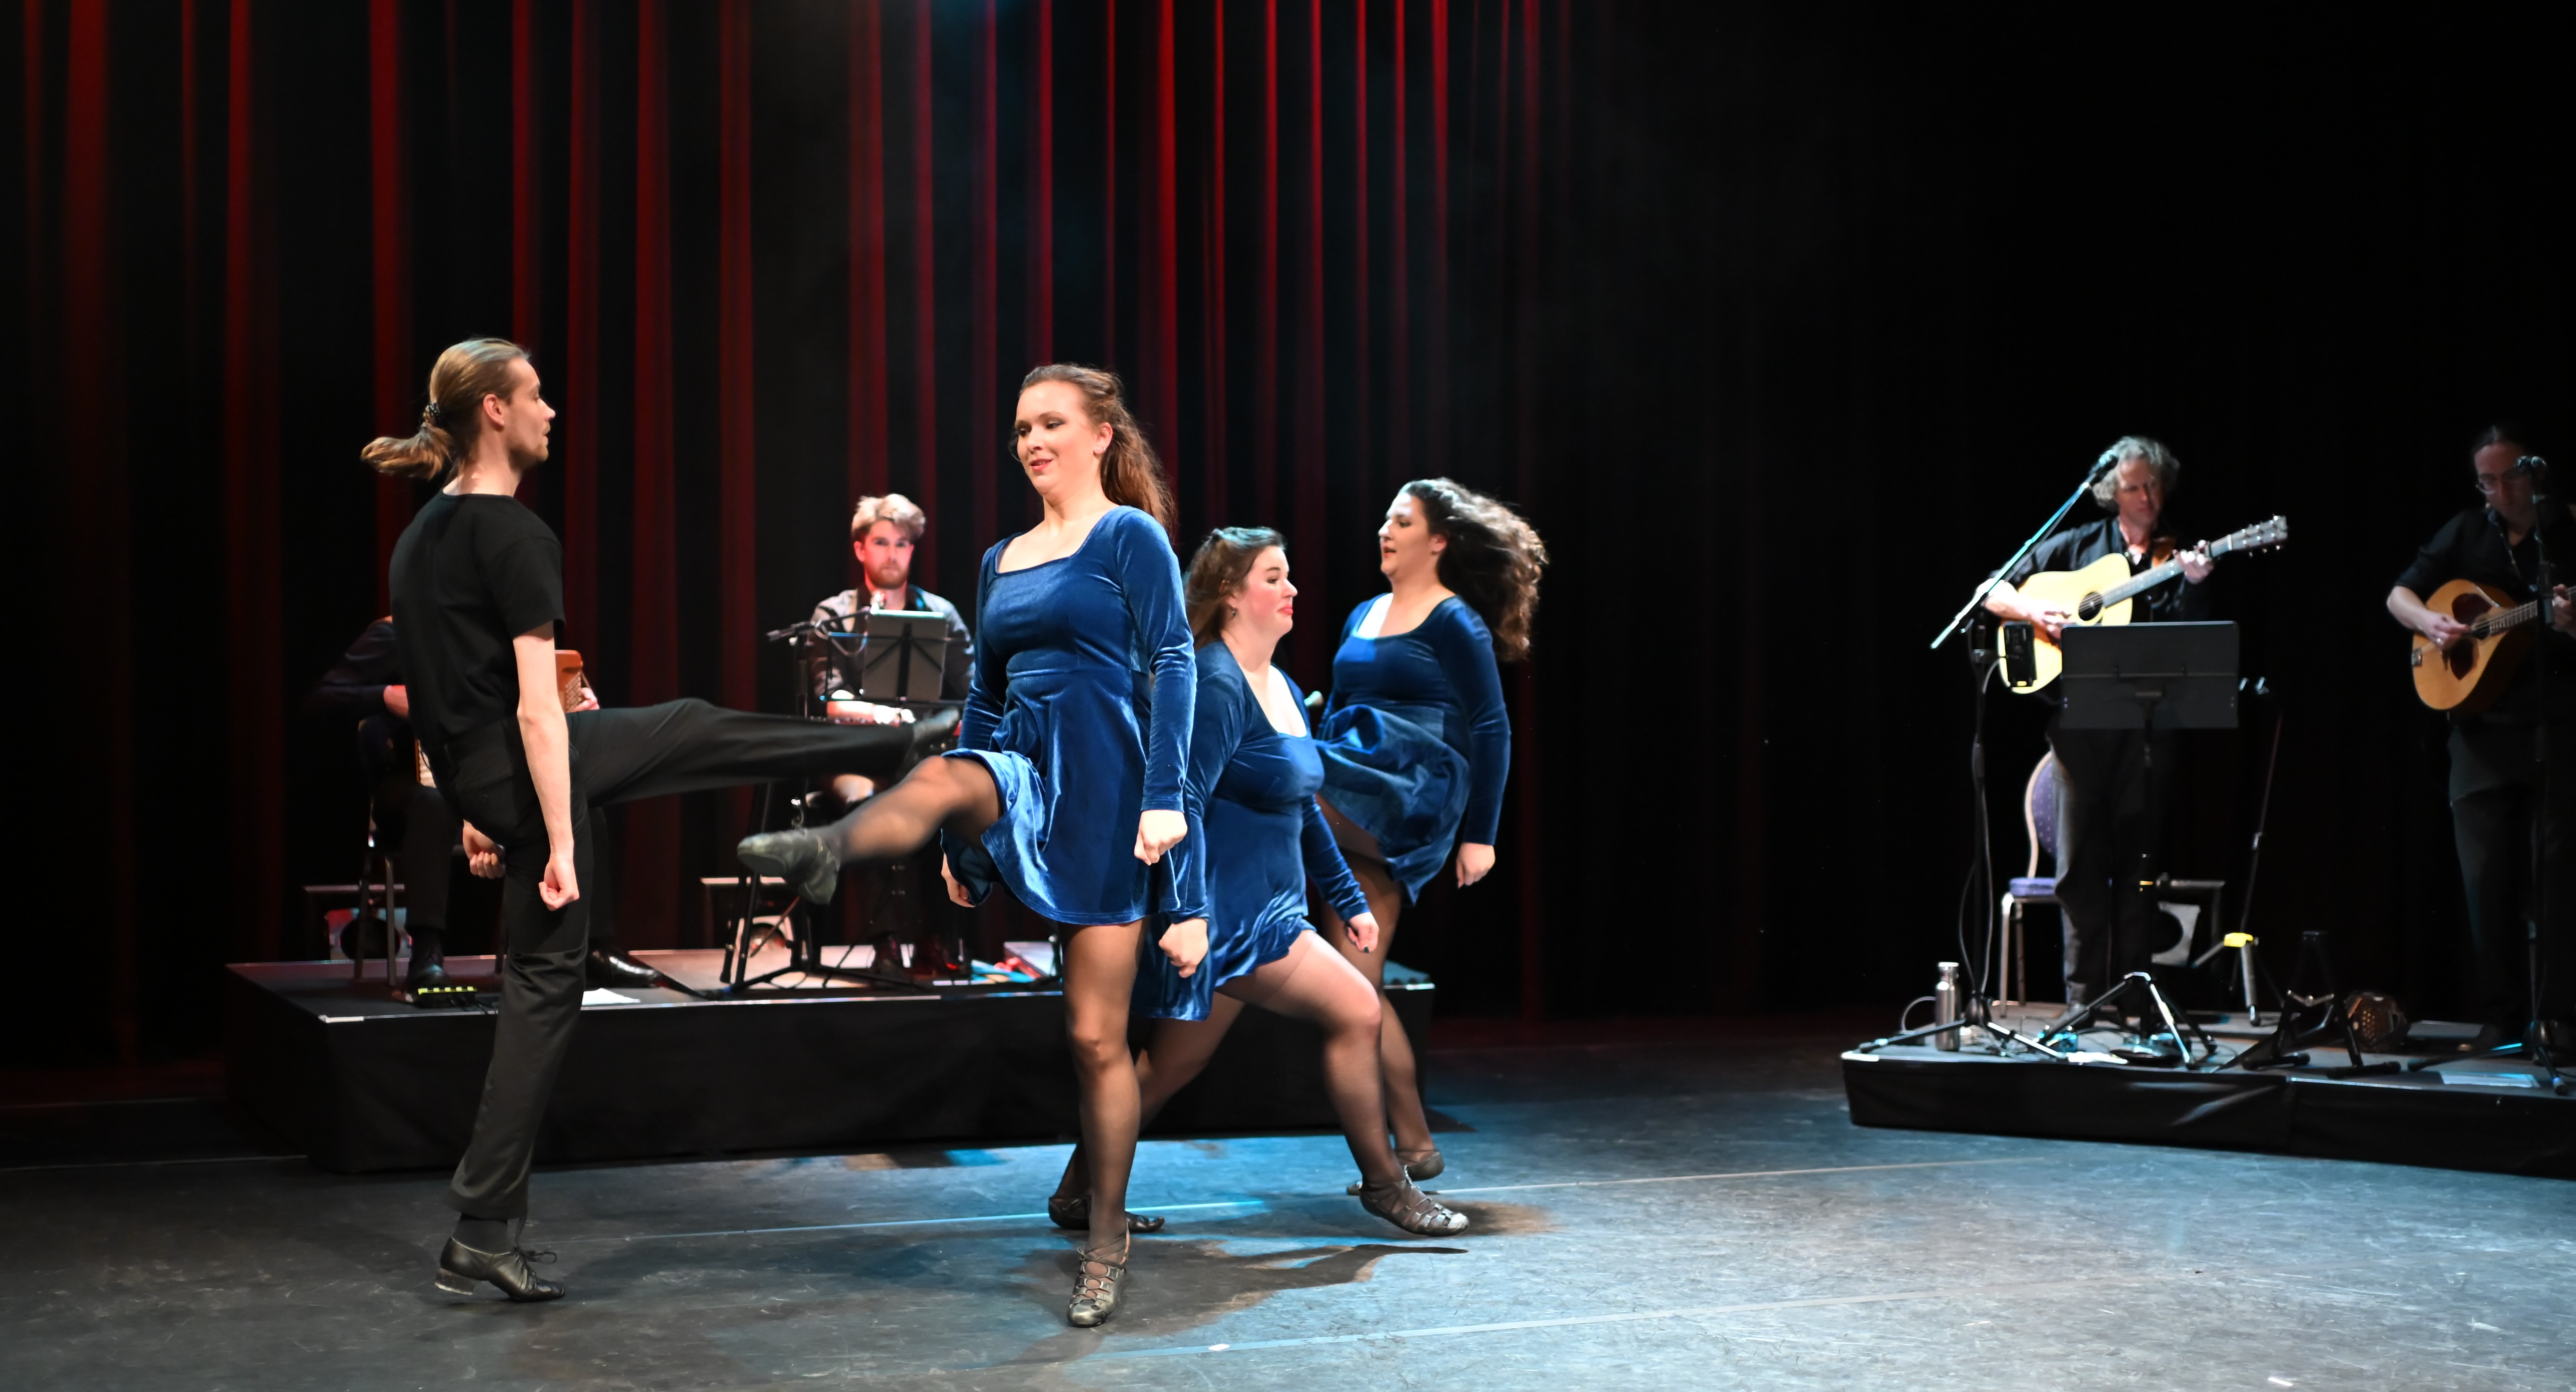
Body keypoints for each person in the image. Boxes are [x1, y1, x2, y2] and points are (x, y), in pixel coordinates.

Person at [372, 337, 944, 1304]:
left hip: (482, 779)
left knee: (541, 992)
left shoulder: (421, 533)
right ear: (496, 411)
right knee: (688, 728)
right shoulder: (513, 533)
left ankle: (482, 1231)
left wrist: (476, 813)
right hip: (528, 772)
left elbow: (438, 697)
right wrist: (556, 838)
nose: (551, 410)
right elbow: (538, 707)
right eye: (536, 395)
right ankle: (894, 747)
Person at [738, 364, 1207, 1327]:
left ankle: (1105, 1236)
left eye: (1051, 424)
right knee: (951, 770)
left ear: (1100, 436)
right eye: (1023, 427)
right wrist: (969, 845)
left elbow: (1172, 660)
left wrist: (1164, 798)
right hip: (1020, 763)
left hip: (1106, 784)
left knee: (1095, 1038)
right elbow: (986, 694)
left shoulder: (1129, 535)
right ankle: (825, 845)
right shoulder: (1002, 558)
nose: (1032, 441)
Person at [1047, 528, 1469, 1237]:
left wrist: (1349, 898)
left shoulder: (1277, 684)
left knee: (1170, 1068)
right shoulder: (1215, 684)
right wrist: (1190, 913)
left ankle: (1074, 1193)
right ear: (1231, 595)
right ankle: (1386, 1185)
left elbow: (1303, 808)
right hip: (1233, 918)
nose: (1292, 589)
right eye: (1273, 577)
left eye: (1289, 575)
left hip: (1270, 908)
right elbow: (1180, 803)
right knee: (1358, 1011)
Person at [1310, 479, 1546, 1187]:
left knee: (1273, 783)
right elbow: (1341, 707)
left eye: (1403, 522)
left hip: (1414, 786)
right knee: (1357, 985)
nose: (1385, 530)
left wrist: (1482, 834)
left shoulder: (1453, 622)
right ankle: (1413, 1144)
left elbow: (1491, 726)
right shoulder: (1363, 613)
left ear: (1438, 541)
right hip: (1353, 779)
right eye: (1385, 519)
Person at [306, 618, 662, 996]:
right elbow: (322, 699)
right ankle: (426, 955)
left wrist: (582, 716)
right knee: (432, 802)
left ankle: (594, 949)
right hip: (412, 783)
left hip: (492, 785)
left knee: (581, 801)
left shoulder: (509, 640)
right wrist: (385, 696)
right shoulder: (400, 632)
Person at [1980, 437, 2213, 1009]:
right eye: (2134, 487)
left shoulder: (2177, 555)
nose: (2147, 496)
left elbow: (2191, 641)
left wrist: (2195, 584)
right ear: (2112, 493)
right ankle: (2083, 1003)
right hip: (2077, 725)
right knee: (2078, 869)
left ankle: (2135, 999)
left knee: (2140, 870)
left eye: (2153, 484)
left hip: (2147, 731)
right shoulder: (2080, 545)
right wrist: (2034, 611)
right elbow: (1991, 590)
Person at [2387, 424, 2576, 1041]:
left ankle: (2557, 1018)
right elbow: (2399, 595)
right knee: (2483, 882)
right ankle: (2501, 1019)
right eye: (2487, 481)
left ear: (2535, 472)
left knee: (2556, 880)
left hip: (2555, 727)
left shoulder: (2567, 531)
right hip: (2478, 734)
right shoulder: (2467, 530)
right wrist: (2432, 624)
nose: (2500, 492)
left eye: (2510, 477)